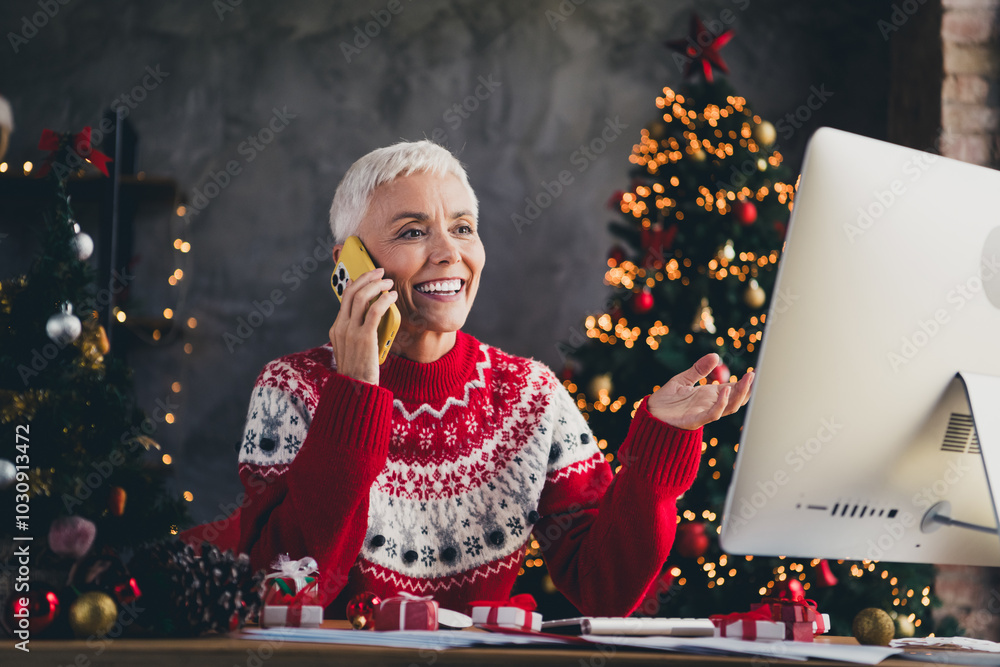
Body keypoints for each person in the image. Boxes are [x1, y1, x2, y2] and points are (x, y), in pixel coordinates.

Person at [233, 140, 754, 617]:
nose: (449, 253)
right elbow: (282, 587)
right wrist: (354, 394)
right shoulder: (291, 389)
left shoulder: (531, 394)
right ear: (350, 264)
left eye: (462, 228)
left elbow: (605, 587)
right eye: (413, 232)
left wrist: (661, 445)